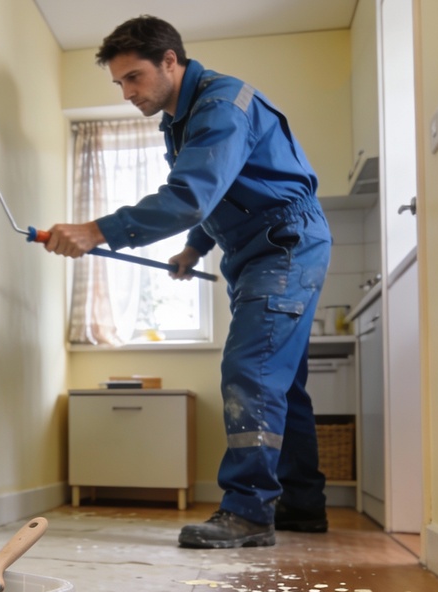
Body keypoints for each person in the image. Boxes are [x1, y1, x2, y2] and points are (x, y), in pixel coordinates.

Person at [44, 16, 332, 548]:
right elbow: (220, 194)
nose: (128, 92)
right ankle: (302, 504)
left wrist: (96, 231)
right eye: (119, 83)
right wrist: (195, 248)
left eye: (134, 78)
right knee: (281, 381)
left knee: (251, 370)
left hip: (284, 245)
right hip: (260, 249)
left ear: (170, 61)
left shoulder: (220, 107)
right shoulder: (183, 118)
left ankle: (248, 512)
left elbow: (191, 196)